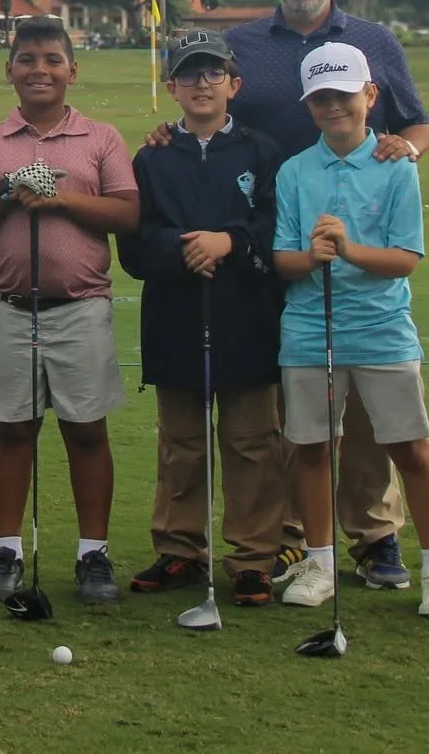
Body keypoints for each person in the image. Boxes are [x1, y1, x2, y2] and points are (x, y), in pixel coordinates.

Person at [151, 0, 429, 589]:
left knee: (363, 404)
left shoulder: (373, 41)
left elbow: (414, 118)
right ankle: (294, 539)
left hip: (352, 237)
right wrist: (171, 135)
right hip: (270, 240)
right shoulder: (245, 43)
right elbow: (213, 108)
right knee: (290, 404)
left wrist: (404, 149)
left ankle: (373, 532)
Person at [0, 17, 139, 604]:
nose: (40, 70)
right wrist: (6, 191)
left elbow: (127, 215)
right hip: (10, 308)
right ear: (9, 71)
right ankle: (7, 549)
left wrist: (60, 197)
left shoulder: (100, 138)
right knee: (13, 430)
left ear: (72, 71)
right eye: (27, 59)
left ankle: (93, 554)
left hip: (79, 307)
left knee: (87, 431)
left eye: (53, 60)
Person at [272, 42, 429, 619]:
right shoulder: (294, 170)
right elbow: (282, 258)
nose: (334, 107)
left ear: (370, 96)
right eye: (321, 97)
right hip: (308, 328)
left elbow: (406, 257)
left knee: (411, 446)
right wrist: (312, 257)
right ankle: (321, 562)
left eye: (344, 95)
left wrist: (348, 250)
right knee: (310, 447)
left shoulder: (395, 166)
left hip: (381, 329)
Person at [119, 30, 289, 607]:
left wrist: (230, 242)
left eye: (213, 73)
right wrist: (182, 248)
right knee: (181, 444)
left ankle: (253, 557)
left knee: (251, 443)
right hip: (176, 317)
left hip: (247, 317)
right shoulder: (153, 156)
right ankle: (180, 549)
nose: (201, 83)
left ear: (233, 85)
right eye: (189, 74)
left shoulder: (262, 153)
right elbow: (136, 244)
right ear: (171, 87)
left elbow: (275, 227)